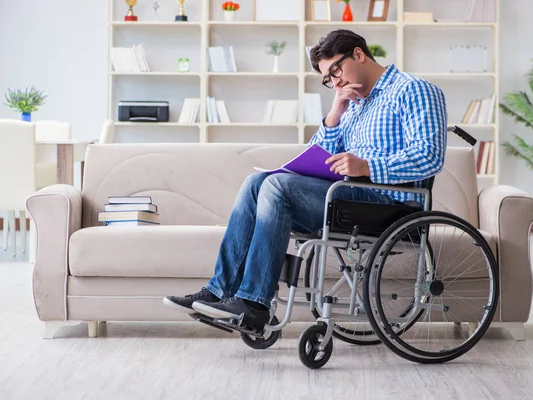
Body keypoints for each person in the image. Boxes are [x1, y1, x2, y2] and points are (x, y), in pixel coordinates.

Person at [163, 29, 448, 327]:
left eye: (336, 70)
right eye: (328, 78)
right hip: (346, 200)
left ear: (359, 54)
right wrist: (334, 115)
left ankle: (253, 303)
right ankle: (218, 291)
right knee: (255, 184)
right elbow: (319, 156)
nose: (335, 81)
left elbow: (430, 156)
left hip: (390, 204)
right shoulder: (352, 103)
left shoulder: (413, 90)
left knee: (276, 186)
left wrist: (366, 166)